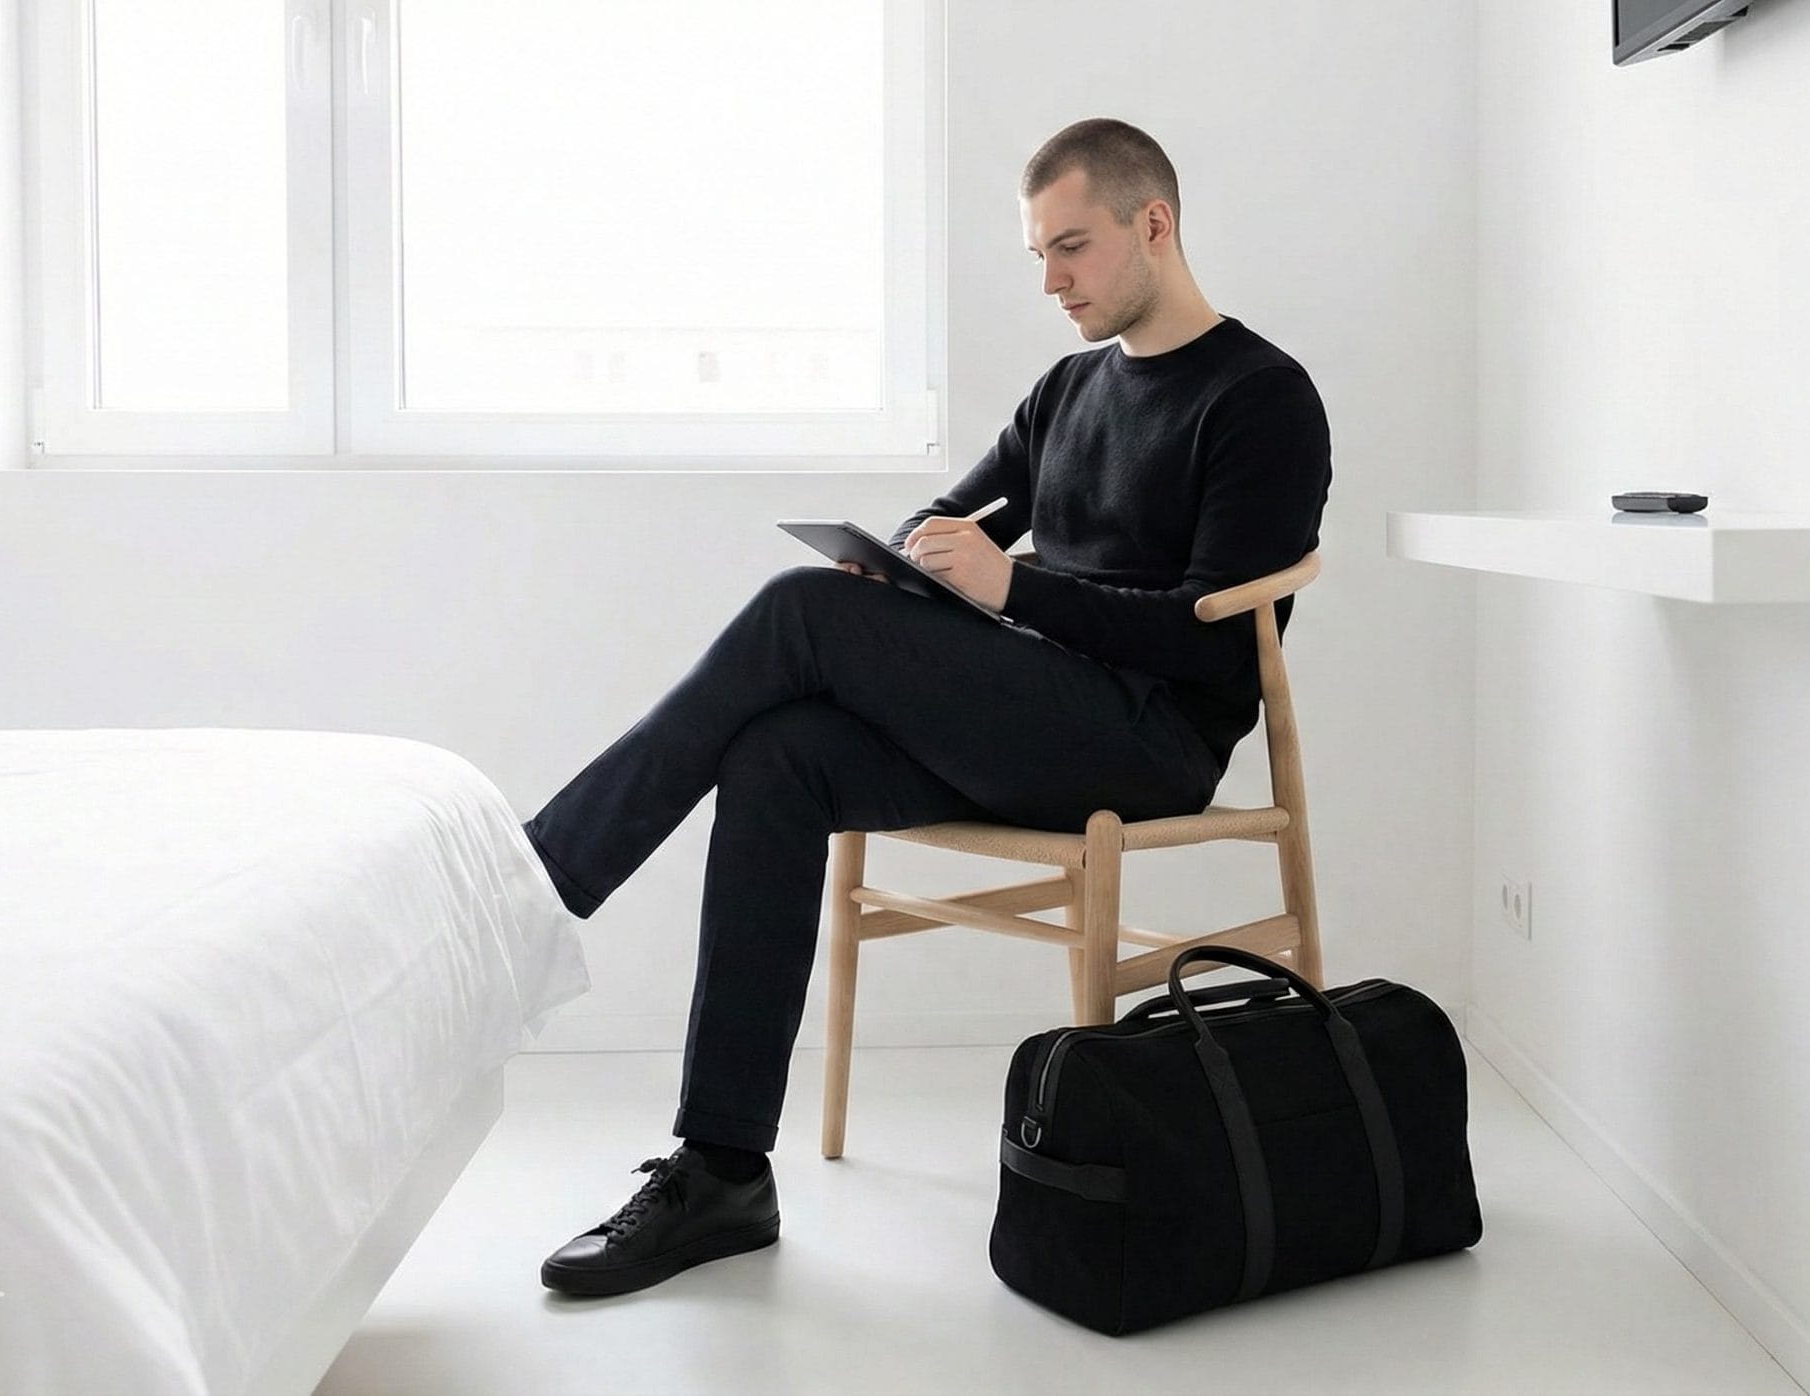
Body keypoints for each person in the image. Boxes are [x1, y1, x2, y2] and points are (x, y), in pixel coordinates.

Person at [520, 117, 1332, 1297]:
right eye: (1038, 255)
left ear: (1153, 224)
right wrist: (900, 571)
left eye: (1073, 248)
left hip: (1148, 739)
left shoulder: (1260, 398)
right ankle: (722, 1168)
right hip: (1036, 721)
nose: (1051, 280)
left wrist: (1016, 587)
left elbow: (1210, 650)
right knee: (782, 753)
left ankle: (541, 877)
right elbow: (943, 521)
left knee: (799, 614)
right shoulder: (1067, 389)